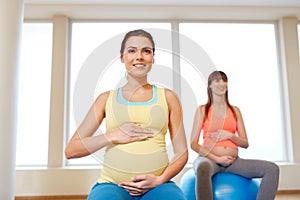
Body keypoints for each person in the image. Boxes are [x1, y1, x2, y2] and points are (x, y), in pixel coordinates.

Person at [65, 29, 188, 200]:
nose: (139, 56)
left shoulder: (168, 97)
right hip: (111, 185)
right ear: (122, 57)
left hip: (158, 186)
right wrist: (112, 135)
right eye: (132, 50)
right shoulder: (105, 99)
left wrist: (160, 179)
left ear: (153, 58)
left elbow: (182, 152)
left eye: (146, 51)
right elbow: (71, 150)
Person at [190, 70, 279, 200]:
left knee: (272, 169)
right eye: (218, 80)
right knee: (202, 167)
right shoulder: (202, 110)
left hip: (233, 162)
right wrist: (217, 158)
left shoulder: (235, 111)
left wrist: (230, 136)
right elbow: (193, 144)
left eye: (224, 80)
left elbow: (245, 143)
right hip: (209, 159)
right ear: (210, 85)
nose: (222, 84)